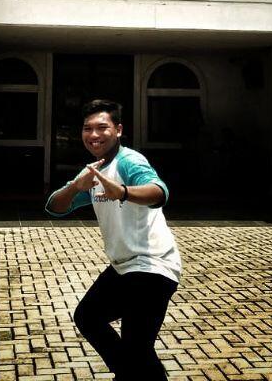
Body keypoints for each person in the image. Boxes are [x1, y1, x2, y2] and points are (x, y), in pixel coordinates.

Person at [45, 99, 182, 381]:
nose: (94, 135)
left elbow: (159, 192)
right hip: (123, 267)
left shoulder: (129, 161)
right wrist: (75, 186)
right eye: (88, 128)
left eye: (102, 127)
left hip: (152, 266)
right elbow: (54, 207)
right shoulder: (94, 171)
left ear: (118, 130)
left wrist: (122, 191)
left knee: (135, 349)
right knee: (89, 318)